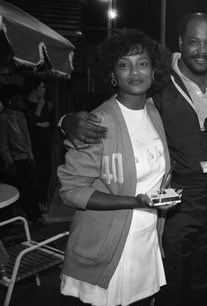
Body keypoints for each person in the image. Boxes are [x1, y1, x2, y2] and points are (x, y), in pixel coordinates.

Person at [59, 13, 207, 306]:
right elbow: (75, 182)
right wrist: (67, 121)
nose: (136, 72)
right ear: (180, 43)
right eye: (194, 42)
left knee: (197, 283)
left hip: (164, 226)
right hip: (132, 231)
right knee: (169, 288)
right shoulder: (150, 95)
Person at [57, 29, 172, 306]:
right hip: (106, 249)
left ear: (154, 72)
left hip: (145, 243)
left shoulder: (154, 112)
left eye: (142, 63)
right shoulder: (98, 122)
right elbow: (71, 191)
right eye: (124, 64)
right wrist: (134, 201)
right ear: (112, 74)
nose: (134, 72)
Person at [0, 84, 48, 225]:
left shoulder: (21, 115)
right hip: (14, 160)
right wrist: (9, 162)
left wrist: (30, 156)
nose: (22, 103)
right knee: (14, 191)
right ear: (10, 101)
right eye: (18, 100)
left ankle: (34, 216)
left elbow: (26, 138)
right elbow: (3, 143)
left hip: (26, 158)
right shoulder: (4, 118)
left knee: (31, 189)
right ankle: (8, 225)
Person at [22, 75, 55, 213]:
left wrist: (39, 124)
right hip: (30, 146)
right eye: (41, 87)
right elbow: (29, 127)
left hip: (45, 145)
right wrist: (39, 110)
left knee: (45, 174)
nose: (44, 90)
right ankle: (32, 208)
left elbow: (52, 124)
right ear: (34, 89)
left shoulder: (48, 104)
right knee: (32, 178)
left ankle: (42, 203)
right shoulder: (24, 105)